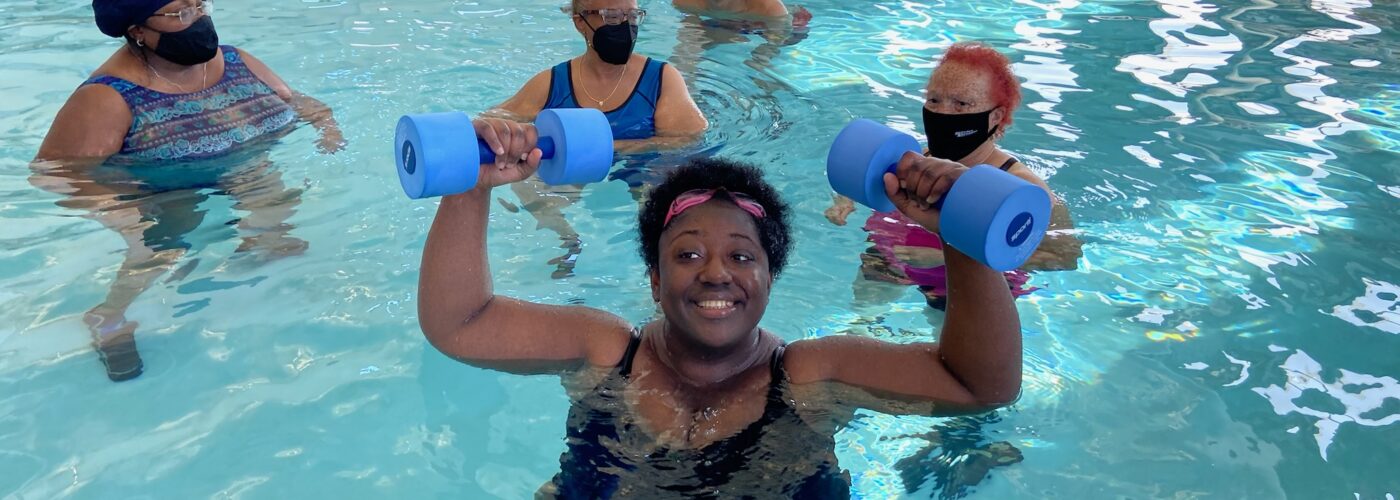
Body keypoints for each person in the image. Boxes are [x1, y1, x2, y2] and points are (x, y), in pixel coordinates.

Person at [417, 118, 1026, 497]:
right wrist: (471, 184)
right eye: (687, 255)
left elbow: (981, 386)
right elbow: (459, 324)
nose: (716, 272)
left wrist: (959, 238)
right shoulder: (605, 351)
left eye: (741, 257)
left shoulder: (812, 375)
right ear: (655, 281)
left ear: (768, 278)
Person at [31, 0, 343, 381]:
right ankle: (109, 315)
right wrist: (124, 217)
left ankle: (265, 250)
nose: (199, 20)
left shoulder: (237, 62)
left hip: (241, 165)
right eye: (181, 13)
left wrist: (327, 129)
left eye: (200, 5)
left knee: (267, 194)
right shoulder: (107, 97)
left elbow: (295, 100)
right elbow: (53, 173)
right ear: (137, 31)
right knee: (161, 249)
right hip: (162, 186)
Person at [826, 41, 1082, 311]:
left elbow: (1064, 257)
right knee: (860, 318)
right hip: (895, 254)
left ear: (996, 116)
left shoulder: (1025, 189)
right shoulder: (911, 158)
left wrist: (944, 259)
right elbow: (864, 174)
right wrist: (845, 201)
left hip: (969, 281)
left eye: (961, 104)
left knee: (950, 346)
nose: (942, 113)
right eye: (934, 100)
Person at [488, 0, 709, 279]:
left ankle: (661, 276)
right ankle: (568, 240)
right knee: (527, 180)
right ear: (581, 22)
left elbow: (689, 139)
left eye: (632, 16)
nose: (625, 27)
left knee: (663, 197)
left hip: (641, 166)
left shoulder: (661, 78)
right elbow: (493, 120)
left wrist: (608, 149)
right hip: (576, 167)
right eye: (612, 16)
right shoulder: (553, 82)